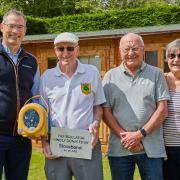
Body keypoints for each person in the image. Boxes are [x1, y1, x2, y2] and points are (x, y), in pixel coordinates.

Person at [102, 33, 170, 180]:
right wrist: (126, 137)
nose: (130, 53)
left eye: (135, 48)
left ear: (143, 49)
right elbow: (105, 112)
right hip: (120, 149)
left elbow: (162, 109)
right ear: (120, 52)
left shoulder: (156, 74)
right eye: (126, 49)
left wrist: (139, 135)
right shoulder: (110, 77)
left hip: (151, 149)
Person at [40, 32, 105, 180]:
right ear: (55, 51)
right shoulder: (47, 77)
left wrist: (95, 123)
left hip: (86, 143)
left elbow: (98, 106)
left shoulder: (91, 72)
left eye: (69, 48)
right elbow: (42, 114)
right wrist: (44, 143)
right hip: (56, 144)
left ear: (77, 49)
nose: (65, 53)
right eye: (60, 49)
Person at [0, 9, 40, 180]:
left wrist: (37, 126)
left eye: (20, 27)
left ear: (25, 31)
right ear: (2, 27)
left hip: (22, 138)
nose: (15, 31)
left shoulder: (31, 61)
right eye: (11, 26)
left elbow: (36, 96)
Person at [163, 39, 180, 180]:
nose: (176, 60)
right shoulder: (159, 80)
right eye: (172, 56)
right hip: (164, 149)